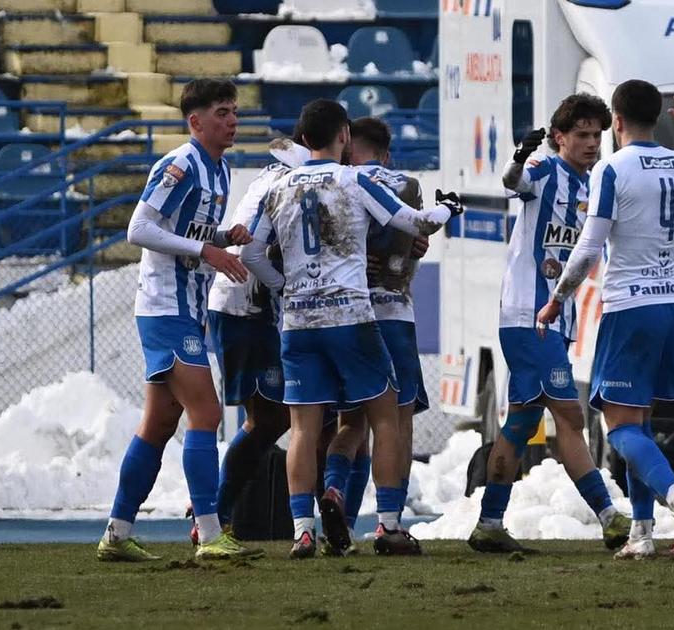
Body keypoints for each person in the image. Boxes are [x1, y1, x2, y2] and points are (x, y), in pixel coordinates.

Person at [243, 99, 462, 558]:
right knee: (385, 418)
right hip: (350, 317)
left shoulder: (277, 187)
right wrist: (447, 209)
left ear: (303, 139)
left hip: (298, 322)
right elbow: (414, 221)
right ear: (344, 135)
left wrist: (284, 288)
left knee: (303, 430)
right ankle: (387, 526)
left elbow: (251, 254)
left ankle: (303, 530)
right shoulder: (355, 178)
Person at [537, 82, 674, 560]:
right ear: (659, 118)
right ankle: (641, 534)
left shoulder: (611, 168)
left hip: (629, 307)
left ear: (616, 122)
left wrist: (559, 297)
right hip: (672, 306)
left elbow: (587, 247)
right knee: (641, 423)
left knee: (619, 426)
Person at [97, 79, 258, 562]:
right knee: (206, 415)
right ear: (195, 121)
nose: (232, 121)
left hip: (187, 308)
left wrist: (223, 236)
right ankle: (209, 535)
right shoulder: (179, 164)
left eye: (234, 112)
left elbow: (184, 231)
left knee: (158, 425)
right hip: (166, 308)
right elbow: (140, 228)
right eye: (222, 112)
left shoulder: (221, 170)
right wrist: (207, 248)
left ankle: (116, 533)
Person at [466, 94, 631, 554]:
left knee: (520, 423)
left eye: (597, 134)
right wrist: (520, 154)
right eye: (581, 134)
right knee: (570, 418)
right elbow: (511, 182)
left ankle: (489, 523)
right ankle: (610, 516)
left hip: (554, 318)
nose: (591, 142)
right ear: (560, 137)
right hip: (527, 315)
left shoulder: (595, 184)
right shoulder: (544, 169)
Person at [319, 116, 431, 556]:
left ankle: (332, 489)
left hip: (346, 315)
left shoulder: (335, 183)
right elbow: (410, 240)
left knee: (351, 422)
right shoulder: (406, 184)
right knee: (396, 421)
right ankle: (390, 523)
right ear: (386, 153)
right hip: (393, 313)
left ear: (348, 147)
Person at [201, 132, 310, 544]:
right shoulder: (287, 183)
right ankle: (217, 511)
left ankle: (218, 510)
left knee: (274, 417)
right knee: (272, 418)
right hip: (243, 306)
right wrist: (284, 286)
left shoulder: (273, 175)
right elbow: (251, 254)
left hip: (243, 305)